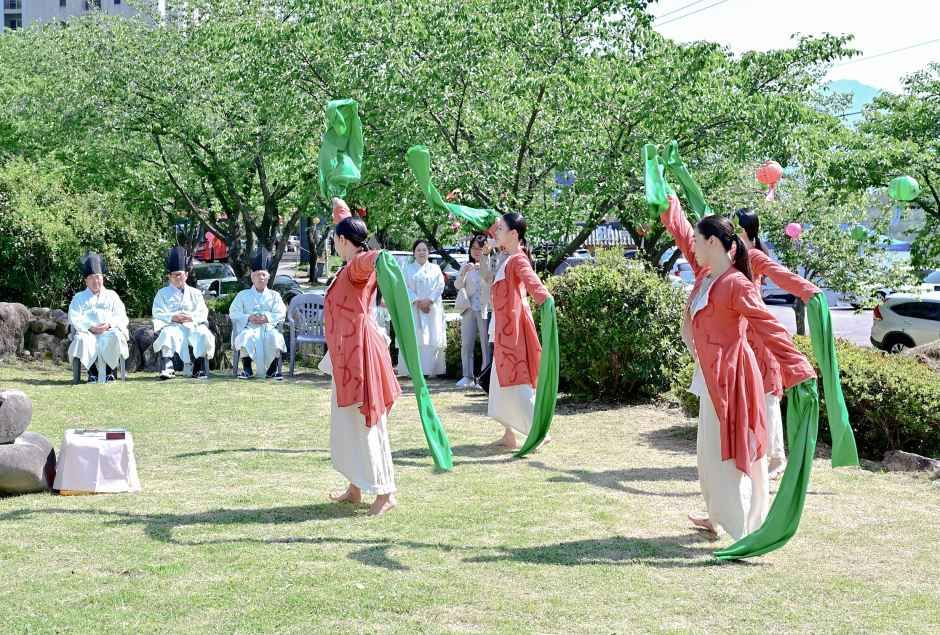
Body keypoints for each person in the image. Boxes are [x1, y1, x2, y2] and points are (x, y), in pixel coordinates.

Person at [661, 195, 815, 540]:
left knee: (729, 456)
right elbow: (684, 235)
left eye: (699, 240)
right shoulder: (707, 275)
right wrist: (668, 202)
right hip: (710, 376)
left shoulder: (736, 283)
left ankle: (744, 530)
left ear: (713, 243)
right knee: (708, 456)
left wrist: (797, 366)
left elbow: (768, 325)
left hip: (731, 378)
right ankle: (717, 517)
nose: (693, 246)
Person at [321, 198, 399, 516]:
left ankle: (385, 492)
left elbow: (370, 259)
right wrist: (339, 208)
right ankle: (355, 487)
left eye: (336, 239)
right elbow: (351, 233)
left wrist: (378, 256)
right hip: (346, 355)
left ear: (342, 241)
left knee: (366, 423)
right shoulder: (349, 263)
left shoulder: (356, 266)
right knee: (347, 423)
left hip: (360, 355)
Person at [736, 208, 822, 480]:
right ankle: (757, 452)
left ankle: (775, 457)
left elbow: (782, 275)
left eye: (735, 227)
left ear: (744, 231)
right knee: (751, 395)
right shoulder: (736, 256)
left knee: (767, 395)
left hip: (759, 334)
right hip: (743, 333)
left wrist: (810, 292)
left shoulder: (753, 256)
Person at [487, 213, 553, 449]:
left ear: (514, 234)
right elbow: (491, 229)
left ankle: (539, 432)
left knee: (517, 381)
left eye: (501, 229)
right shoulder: (509, 256)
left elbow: (534, 283)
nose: (496, 232)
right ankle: (509, 434)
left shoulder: (517, 259)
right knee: (500, 382)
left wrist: (545, 299)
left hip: (513, 331)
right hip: (504, 327)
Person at [151, 246, 216, 380]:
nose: (177, 277)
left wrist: (190, 317)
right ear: (169, 276)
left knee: (203, 333)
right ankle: (167, 366)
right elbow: (157, 312)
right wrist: (172, 317)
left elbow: (203, 311)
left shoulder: (196, 293)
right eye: (174, 275)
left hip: (192, 325)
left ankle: (199, 366)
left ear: (186, 275)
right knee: (167, 333)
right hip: (172, 325)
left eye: (180, 274)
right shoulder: (162, 293)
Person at [67, 252, 129, 383]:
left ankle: (109, 372)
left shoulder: (112, 295)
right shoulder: (79, 297)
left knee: (116, 336)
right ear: (86, 280)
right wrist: (91, 327)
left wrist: (109, 324)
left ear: (103, 278)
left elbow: (121, 315)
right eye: (91, 278)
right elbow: (74, 317)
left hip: (109, 331)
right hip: (88, 332)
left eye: (98, 277)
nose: (95, 281)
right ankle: (93, 373)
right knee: (81, 339)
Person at [229, 249, 287, 380]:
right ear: (252, 277)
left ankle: (272, 371)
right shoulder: (242, 295)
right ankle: (247, 369)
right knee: (245, 336)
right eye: (257, 275)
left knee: (275, 337)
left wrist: (266, 318)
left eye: (263, 275)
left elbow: (281, 312)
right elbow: (234, 312)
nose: (260, 278)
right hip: (249, 327)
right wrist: (248, 317)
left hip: (268, 327)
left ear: (268, 277)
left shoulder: (275, 295)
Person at [396, 239, 446, 378]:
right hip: (414, 308)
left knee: (432, 336)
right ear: (414, 253)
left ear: (428, 252)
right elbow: (404, 287)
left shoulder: (435, 269)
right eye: (418, 250)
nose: (421, 252)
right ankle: (413, 370)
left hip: (432, 308)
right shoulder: (407, 269)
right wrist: (417, 301)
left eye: (424, 250)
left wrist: (429, 300)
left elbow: (440, 286)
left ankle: (431, 370)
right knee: (415, 337)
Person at [454, 234, 492, 388]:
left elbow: (490, 281)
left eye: (480, 248)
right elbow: (457, 285)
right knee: (467, 343)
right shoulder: (465, 265)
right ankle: (467, 376)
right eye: (473, 248)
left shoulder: (489, 263)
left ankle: (484, 377)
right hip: (469, 308)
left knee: (486, 344)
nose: (476, 251)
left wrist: (482, 267)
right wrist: (463, 272)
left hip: (484, 308)